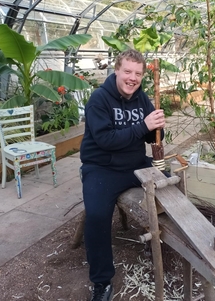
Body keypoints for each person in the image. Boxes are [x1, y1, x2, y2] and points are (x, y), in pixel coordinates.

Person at [80, 49, 165, 301]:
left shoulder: (142, 99)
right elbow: (105, 140)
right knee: (96, 216)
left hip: (134, 165)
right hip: (101, 168)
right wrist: (143, 126)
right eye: (127, 71)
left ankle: (161, 244)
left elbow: (149, 135)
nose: (132, 78)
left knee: (171, 182)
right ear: (116, 70)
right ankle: (102, 281)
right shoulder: (99, 99)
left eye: (138, 73)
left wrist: (158, 127)